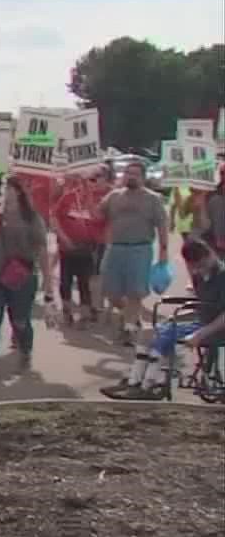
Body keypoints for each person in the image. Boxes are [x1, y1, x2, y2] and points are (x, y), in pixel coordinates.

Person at [102, 240, 224, 400]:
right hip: (202, 323)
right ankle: (134, 381)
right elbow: (199, 307)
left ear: (209, 255)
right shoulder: (200, 276)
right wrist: (173, 318)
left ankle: (148, 385)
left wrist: (199, 335)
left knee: (164, 336)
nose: (197, 270)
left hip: (217, 328)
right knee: (148, 333)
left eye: (200, 265)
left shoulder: (222, 275)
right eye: (194, 266)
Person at [0, 178, 54, 373]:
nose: (3, 191)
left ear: (18, 192)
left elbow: (42, 249)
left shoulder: (31, 217)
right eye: (1, 187)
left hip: (22, 275)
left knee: (20, 320)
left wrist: (48, 281)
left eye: (8, 188)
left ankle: (25, 351)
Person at [99, 161, 171, 344]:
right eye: (128, 173)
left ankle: (129, 329)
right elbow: (97, 214)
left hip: (140, 249)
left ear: (143, 177)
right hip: (115, 248)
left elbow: (162, 226)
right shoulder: (114, 196)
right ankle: (130, 316)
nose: (131, 176)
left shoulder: (153, 199)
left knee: (135, 292)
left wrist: (163, 251)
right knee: (110, 291)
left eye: (135, 174)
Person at [53, 166, 112, 328]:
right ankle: (67, 312)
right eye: (87, 180)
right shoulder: (69, 197)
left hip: (90, 247)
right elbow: (55, 217)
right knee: (65, 281)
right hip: (67, 247)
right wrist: (63, 237)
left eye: (93, 180)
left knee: (85, 281)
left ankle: (86, 314)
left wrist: (90, 203)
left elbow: (102, 220)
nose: (89, 184)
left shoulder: (103, 199)